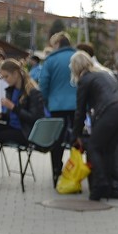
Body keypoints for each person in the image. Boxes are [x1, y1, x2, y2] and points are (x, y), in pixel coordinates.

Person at [70, 50, 118, 201]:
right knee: (108, 149)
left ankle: (100, 185)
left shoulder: (85, 79)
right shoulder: (106, 74)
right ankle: (108, 185)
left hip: (111, 110)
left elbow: (79, 112)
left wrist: (75, 135)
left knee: (93, 147)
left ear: (75, 68)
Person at [38, 32, 76, 187]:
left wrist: (47, 102)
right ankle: (75, 171)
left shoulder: (51, 60)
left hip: (56, 106)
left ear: (57, 44)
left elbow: (43, 84)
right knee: (76, 139)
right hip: (77, 106)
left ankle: (56, 172)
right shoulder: (78, 56)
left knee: (57, 140)